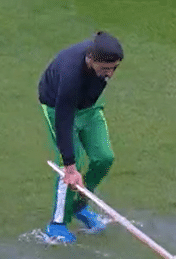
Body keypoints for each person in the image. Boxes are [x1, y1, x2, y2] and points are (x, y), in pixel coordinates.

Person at [38, 31, 124, 243]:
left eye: (114, 68)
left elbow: (94, 90)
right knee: (72, 167)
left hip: (89, 108)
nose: (111, 74)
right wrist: (69, 164)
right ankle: (57, 223)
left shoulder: (102, 62)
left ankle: (79, 204)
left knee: (104, 157)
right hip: (57, 108)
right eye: (106, 69)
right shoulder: (70, 73)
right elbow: (63, 117)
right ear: (91, 60)